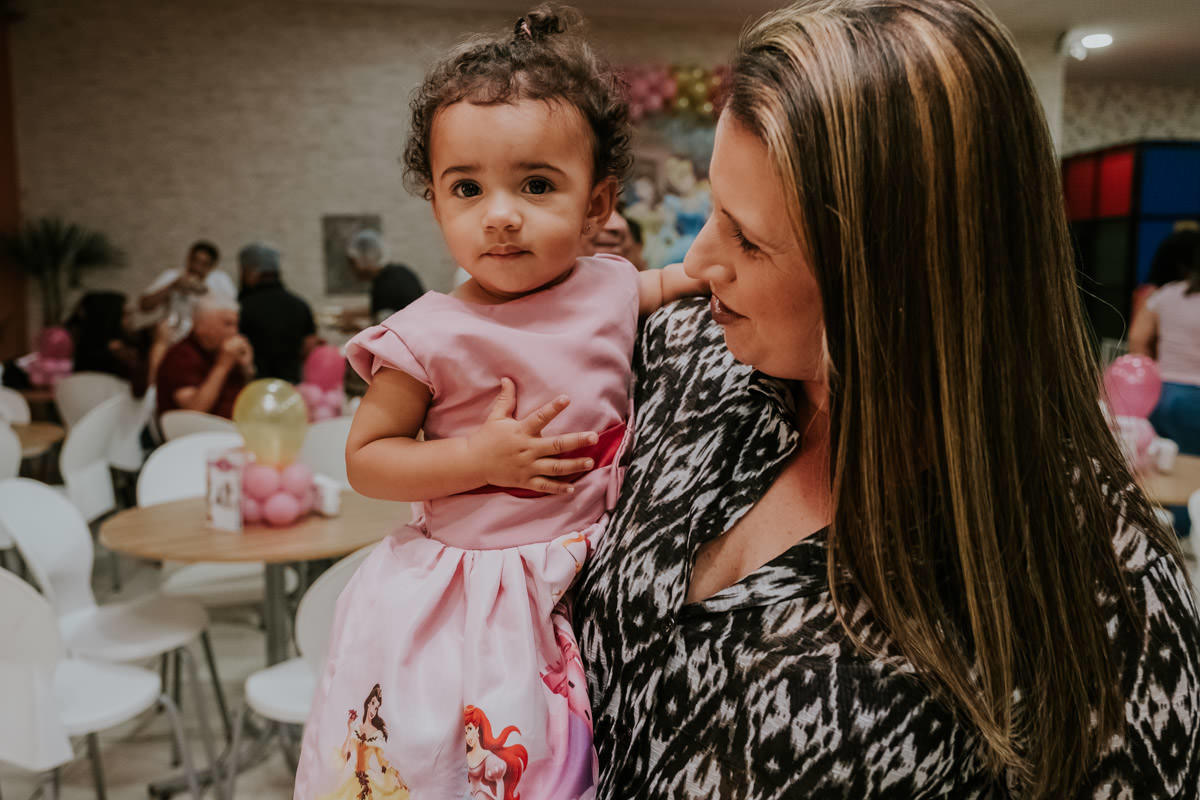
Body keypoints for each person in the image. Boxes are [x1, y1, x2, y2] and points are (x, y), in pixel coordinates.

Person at [573, 2, 1200, 798]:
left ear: (892, 280)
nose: (699, 264)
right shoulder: (690, 356)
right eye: (712, 212)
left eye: (749, 239)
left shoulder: (1107, 590)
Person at [294, 8, 705, 799]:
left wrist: (711, 268)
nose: (501, 212)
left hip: (589, 573)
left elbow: (656, 285)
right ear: (439, 205)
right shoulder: (428, 334)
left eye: (537, 184)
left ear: (597, 205)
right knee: (461, 764)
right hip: (472, 593)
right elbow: (368, 460)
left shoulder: (611, 284)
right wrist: (477, 458)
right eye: (467, 188)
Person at [1131, 229, 1200, 454]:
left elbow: (1137, 339)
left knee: (1163, 463)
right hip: (1195, 396)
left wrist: (1148, 375)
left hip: (1161, 393)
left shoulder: (1165, 293)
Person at [156, 294, 253, 419]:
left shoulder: (218, 350)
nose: (234, 332)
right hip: (199, 432)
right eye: (227, 324)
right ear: (201, 326)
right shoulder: (181, 355)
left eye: (236, 325)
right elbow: (195, 410)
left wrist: (247, 368)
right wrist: (223, 365)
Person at [236, 242, 318, 384]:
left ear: (251, 272)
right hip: (291, 388)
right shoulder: (300, 305)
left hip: (254, 387)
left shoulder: (241, 307)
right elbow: (309, 344)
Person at [66, 290, 171, 397]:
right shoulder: (117, 351)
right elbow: (149, 388)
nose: (131, 319)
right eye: (125, 314)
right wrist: (160, 344)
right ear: (111, 318)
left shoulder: (87, 346)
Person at [317, 684, 410, 800]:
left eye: (377, 708)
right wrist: (349, 730)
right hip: (353, 781)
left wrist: (398, 778)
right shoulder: (356, 728)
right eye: (373, 704)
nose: (374, 710)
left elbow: (383, 762)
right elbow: (344, 755)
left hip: (370, 782)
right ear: (367, 703)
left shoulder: (377, 734)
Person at [139, 241, 237, 342]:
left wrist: (205, 292)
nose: (196, 267)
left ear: (211, 267)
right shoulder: (173, 276)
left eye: (203, 264)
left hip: (203, 338)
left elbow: (232, 313)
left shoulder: (220, 280)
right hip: (172, 335)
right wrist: (172, 286)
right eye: (194, 261)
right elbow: (144, 306)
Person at [337, 230, 425, 329]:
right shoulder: (401, 271)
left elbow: (383, 329)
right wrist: (353, 313)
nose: (352, 270)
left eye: (353, 263)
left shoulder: (383, 285)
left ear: (363, 260)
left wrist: (355, 327)